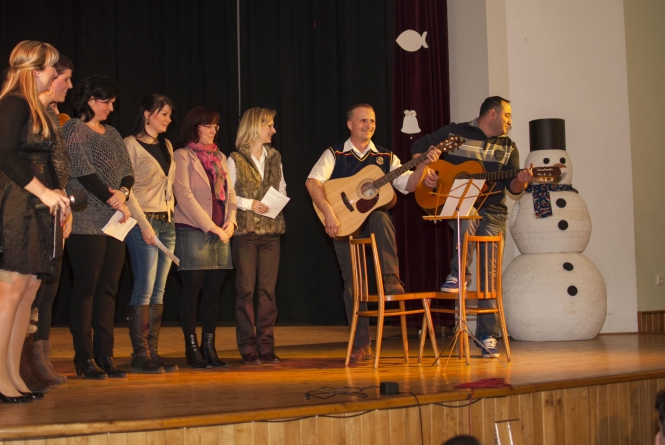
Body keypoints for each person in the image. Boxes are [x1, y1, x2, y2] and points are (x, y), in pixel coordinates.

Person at [0, 40, 71, 403]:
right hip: (13, 203)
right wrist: (44, 193)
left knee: (27, 291)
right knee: (10, 290)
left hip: (36, 206)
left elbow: (48, 161)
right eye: (52, 68)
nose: (55, 74)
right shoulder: (12, 103)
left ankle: (11, 373)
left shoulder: (38, 107)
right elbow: (5, 157)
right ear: (35, 70)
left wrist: (59, 200)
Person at [305, 103, 439, 364]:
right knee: (353, 284)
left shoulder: (386, 158)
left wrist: (422, 165)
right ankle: (360, 345)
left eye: (373, 121)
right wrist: (329, 212)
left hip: (373, 225)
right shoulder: (335, 154)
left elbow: (409, 186)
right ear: (350, 125)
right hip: (343, 222)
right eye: (363, 120)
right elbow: (312, 182)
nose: (369, 125)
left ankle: (391, 278)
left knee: (380, 215)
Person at [410, 96, 533, 358]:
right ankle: (459, 275)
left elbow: (513, 188)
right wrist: (426, 170)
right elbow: (418, 146)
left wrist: (522, 180)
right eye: (507, 115)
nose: (510, 121)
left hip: (494, 212)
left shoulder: (508, 147)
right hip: (458, 205)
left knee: (489, 273)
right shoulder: (456, 133)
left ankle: (487, 335)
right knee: (467, 212)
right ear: (492, 114)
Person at [62, 75, 135, 379]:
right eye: (106, 102)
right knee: (86, 287)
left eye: (112, 103)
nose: (111, 108)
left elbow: (128, 171)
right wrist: (111, 197)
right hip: (85, 218)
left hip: (114, 219)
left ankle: (105, 355)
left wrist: (123, 193)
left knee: (109, 288)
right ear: (90, 100)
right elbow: (82, 172)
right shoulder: (73, 129)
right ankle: (84, 358)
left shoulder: (113, 133)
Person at [19, 55, 74, 390]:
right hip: (32, 206)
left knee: (48, 288)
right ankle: (24, 361)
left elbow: (59, 165)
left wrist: (65, 204)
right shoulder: (29, 112)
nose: (68, 85)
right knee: (29, 290)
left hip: (55, 205)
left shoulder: (55, 117)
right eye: (63, 78)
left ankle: (41, 357)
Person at [173, 107, 237, 369]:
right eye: (208, 126)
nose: (213, 131)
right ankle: (192, 348)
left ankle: (209, 346)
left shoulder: (220, 156)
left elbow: (230, 194)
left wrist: (231, 222)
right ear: (195, 127)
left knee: (213, 293)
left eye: (215, 126)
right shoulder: (182, 156)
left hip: (221, 230)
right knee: (192, 290)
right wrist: (211, 227)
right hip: (193, 229)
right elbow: (184, 196)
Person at [123, 94, 178, 374]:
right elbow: (127, 189)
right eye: (163, 114)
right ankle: (140, 355)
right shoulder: (129, 145)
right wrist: (143, 224)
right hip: (143, 222)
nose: (168, 119)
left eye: (169, 114)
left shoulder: (166, 145)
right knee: (144, 288)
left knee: (159, 290)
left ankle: (153, 352)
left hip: (167, 223)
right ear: (147, 114)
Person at [227, 107, 286, 365]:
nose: (273, 130)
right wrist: (249, 204)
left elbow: (282, 187)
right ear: (254, 127)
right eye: (268, 125)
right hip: (246, 233)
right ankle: (248, 347)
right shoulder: (235, 159)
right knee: (245, 290)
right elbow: (227, 194)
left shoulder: (275, 156)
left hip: (271, 233)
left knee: (267, 292)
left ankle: (266, 346)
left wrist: (276, 202)